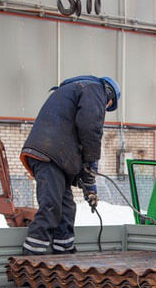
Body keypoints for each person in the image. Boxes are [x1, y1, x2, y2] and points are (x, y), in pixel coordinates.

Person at [20, 75, 120, 255]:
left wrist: (90, 185)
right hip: (49, 152)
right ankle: (32, 257)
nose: (104, 109)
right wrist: (90, 166)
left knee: (66, 209)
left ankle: (65, 251)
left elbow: (83, 139)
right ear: (109, 98)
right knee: (51, 206)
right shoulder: (95, 89)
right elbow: (90, 130)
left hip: (57, 156)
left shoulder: (76, 90)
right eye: (107, 106)